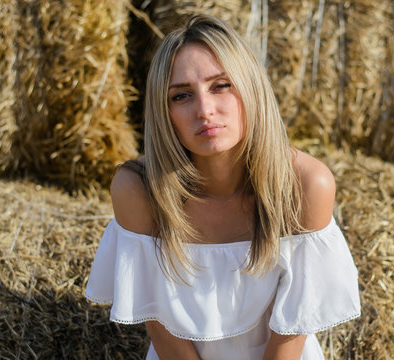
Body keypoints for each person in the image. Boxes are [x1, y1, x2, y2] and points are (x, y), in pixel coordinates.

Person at [85, 14, 360, 360]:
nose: (205, 110)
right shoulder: (138, 188)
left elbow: (293, 328)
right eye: (181, 96)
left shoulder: (306, 185)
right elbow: (159, 324)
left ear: (251, 88)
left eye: (221, 86)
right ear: (163, 111)